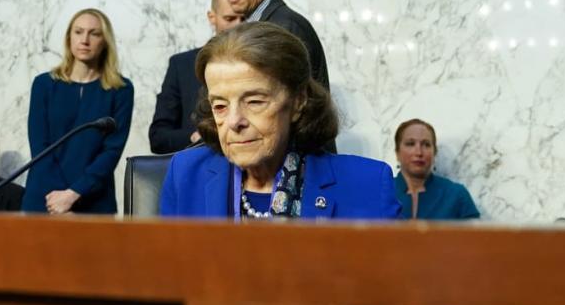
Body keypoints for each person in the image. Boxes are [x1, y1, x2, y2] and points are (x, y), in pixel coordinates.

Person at [160, 22, 400, 220]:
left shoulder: (366, 184)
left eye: (254, 102)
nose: (234, 121)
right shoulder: (185, 174)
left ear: (298, 101)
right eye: (220, 106)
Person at [24, 8, 134, 215]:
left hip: (94, 201)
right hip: (45, 198)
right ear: (69, 38)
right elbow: (40, 146)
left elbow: (112, 150)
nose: (84, 40)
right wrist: (60, 199)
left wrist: (74, 193)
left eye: (94, 33)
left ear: (105, 41)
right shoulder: (44, 84)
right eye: (78, 32)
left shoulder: (121, 89)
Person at [149, 0, 243, 154]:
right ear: (211, 17)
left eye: (245, 18)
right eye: (230, 19)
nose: (238, 26)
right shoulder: (181, 65)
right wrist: (195, 137)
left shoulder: (262, 67)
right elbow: (158, 137)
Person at [393, 119, 480, 220]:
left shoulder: (456, 195)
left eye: (426, 144)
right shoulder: (379, 194)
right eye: (410, 144)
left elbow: (476, 235)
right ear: (397, 152)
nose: (419, 152)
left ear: (434, 153)